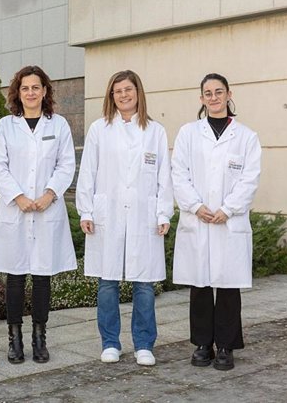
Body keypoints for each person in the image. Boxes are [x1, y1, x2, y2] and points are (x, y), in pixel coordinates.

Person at [76, 70, 173, 367]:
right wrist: (86, 210)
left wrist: (163, 211)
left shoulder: (155, 131)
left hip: (144, 215)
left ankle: (144, 343)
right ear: (111, 96)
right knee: (108, 283)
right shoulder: (99, 129)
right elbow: (88, 172)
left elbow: (163, 176)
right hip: (110, 215)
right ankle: (110, 342)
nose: (123, 95)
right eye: (117, 91)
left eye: (128, 89)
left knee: (143, 283)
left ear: (138, 93)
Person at [0, 65, 76, 364]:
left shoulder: (59, 125)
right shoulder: (5, 126)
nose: (30, 93)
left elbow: (66, 165)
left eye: (36, 87)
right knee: (14, 276)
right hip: (17, 210)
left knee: (41, 276)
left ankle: (40, 338)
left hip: (46, 208)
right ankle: (15, 339)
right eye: (25, 88)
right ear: (18, 92)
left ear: (45, 91)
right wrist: (19, 197)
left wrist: (50, 193)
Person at [171, 73, 261, 371]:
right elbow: (178, 173)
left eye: (218, 92)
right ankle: (201, 345)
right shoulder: (188, 133)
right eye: (207, 93)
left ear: (228, 94)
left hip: (228, 221)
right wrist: (196, 206)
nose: (213, 97)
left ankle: (225, 346)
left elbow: (250, 178)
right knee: (200, 284)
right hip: (198, 219)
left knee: (227, 285)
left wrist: (228, 208)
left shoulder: (246, 136)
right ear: (201, 99)